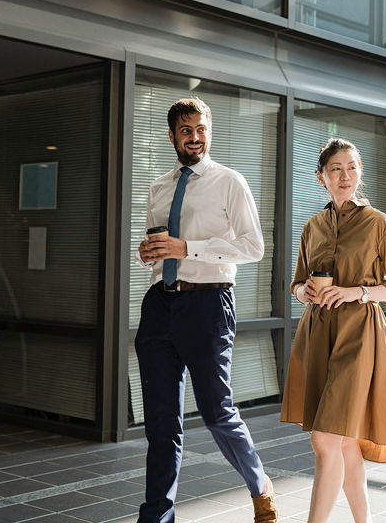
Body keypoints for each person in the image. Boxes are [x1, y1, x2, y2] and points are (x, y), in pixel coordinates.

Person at [135, 98, 277, 523]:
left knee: (216, 411)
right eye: (185, 129)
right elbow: (159, 246)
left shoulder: (229, 181)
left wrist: (187, 248)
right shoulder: (159, 187)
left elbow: (254, 247)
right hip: (160, 304)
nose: (194, 136)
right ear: (172, 135)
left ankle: (259, 484)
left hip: (208, 303)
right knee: (161, 425)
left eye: (201, 128)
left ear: (209, 131)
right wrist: (151, 252)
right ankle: (156, 516)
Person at [280, 138, 386, 523]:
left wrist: (358, 291)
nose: (345, 176)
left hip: (360, 336)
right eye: (336, 169)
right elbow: (295, 283)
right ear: (320, 177)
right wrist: (302, 290)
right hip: (317, 335)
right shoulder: (313, 226)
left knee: (325, 439)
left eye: (352, 168)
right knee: (344, 443)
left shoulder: (379, 223)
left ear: (360, 174)